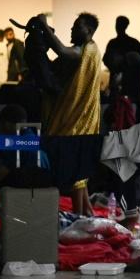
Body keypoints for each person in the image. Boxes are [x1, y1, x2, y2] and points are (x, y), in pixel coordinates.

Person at [37, 12, 101, 216]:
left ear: (89, 31)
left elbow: (63, 51)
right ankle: (85, 214)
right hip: (80, 117)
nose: (72, 30)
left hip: (77, 119)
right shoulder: (88, 50)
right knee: (79, 171)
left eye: (77, 27)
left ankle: (81, 215)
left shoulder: (86, 51)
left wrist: (44, 26)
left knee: (73, 164)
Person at [102, 16, 140, 89]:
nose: (117, 27)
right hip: (129, 80)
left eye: (118, 25)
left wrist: (115, 69)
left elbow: (105, 59)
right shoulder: (134, 43)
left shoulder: (113, 43)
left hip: (124, 80)